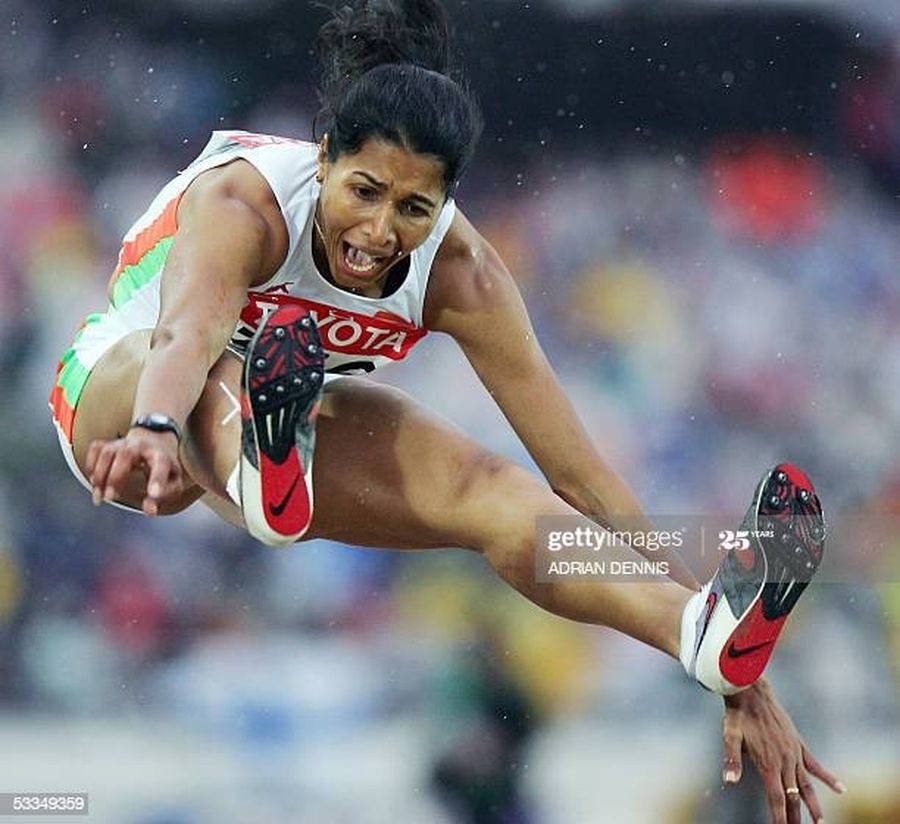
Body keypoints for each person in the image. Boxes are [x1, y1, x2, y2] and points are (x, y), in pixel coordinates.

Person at [49, 1, 843, 821]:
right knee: (214, 364)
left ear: (447, 202)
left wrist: (732, 671)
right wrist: (150, 427)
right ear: (322, 161)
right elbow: (187, 332)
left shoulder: (464, 274)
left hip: (291, 439)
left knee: (493, 490)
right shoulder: (246, 205)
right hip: (125, 393)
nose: (378, 231)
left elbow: (583, 479)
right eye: (363, 191)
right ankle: (257, 450)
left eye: (413, 209)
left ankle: (696, 629)